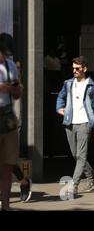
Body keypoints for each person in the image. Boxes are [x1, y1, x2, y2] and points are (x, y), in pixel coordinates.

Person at [56, 56, 94, 198]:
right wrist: (59, 108)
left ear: (85, 69)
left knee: (81, 156)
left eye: (77, 68)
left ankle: (74, 185)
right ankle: (92, 178)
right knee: (76, 155)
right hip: (70, 123)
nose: (74, 71)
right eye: (73, 69)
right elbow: (60, 97)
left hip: (85, 123)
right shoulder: (68, 83)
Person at [0, 33, 32, 203]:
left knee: (7, 159)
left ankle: (23, 181)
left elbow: (18, 91)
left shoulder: (12, 66)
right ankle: (23, 181)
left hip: (8, 119)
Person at [0, 42, 23, 210]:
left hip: (7, 118)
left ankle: (6, 205)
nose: (5, 57)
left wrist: (15, 89)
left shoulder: (10, 66)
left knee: (7, 166)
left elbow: (16, 94)